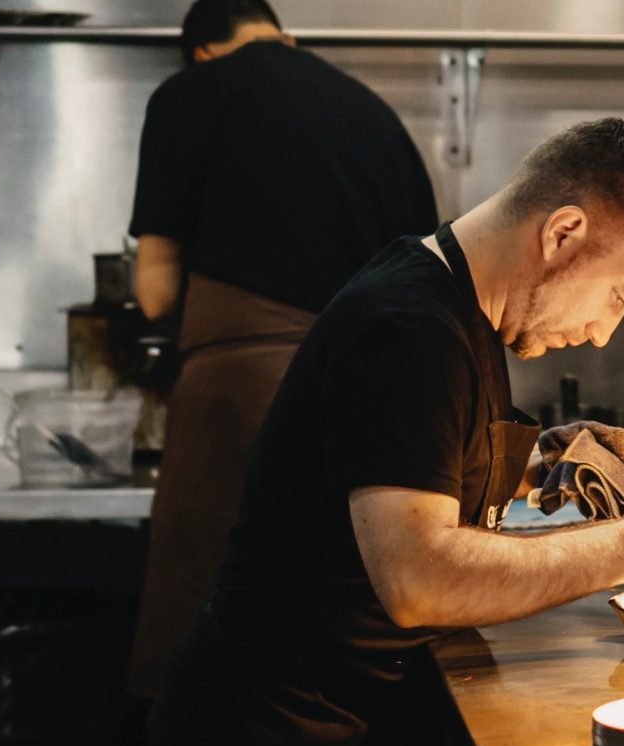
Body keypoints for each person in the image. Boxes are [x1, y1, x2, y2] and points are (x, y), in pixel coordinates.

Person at [148, 118, 624, 746]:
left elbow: (420, 460)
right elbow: (417, 578)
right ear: (562, 233)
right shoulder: (408, 329)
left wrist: (548, 460)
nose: (603, 332)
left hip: (343, 726)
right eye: (617, 299)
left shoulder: (459, 308)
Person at [125, 0, 438, 702]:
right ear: (285, 37)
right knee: (326, 635)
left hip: (237, 402)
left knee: (213, 643)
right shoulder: (374, 113)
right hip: (367, 415)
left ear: (202, 53)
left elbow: (153, 289)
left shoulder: (189, 92)